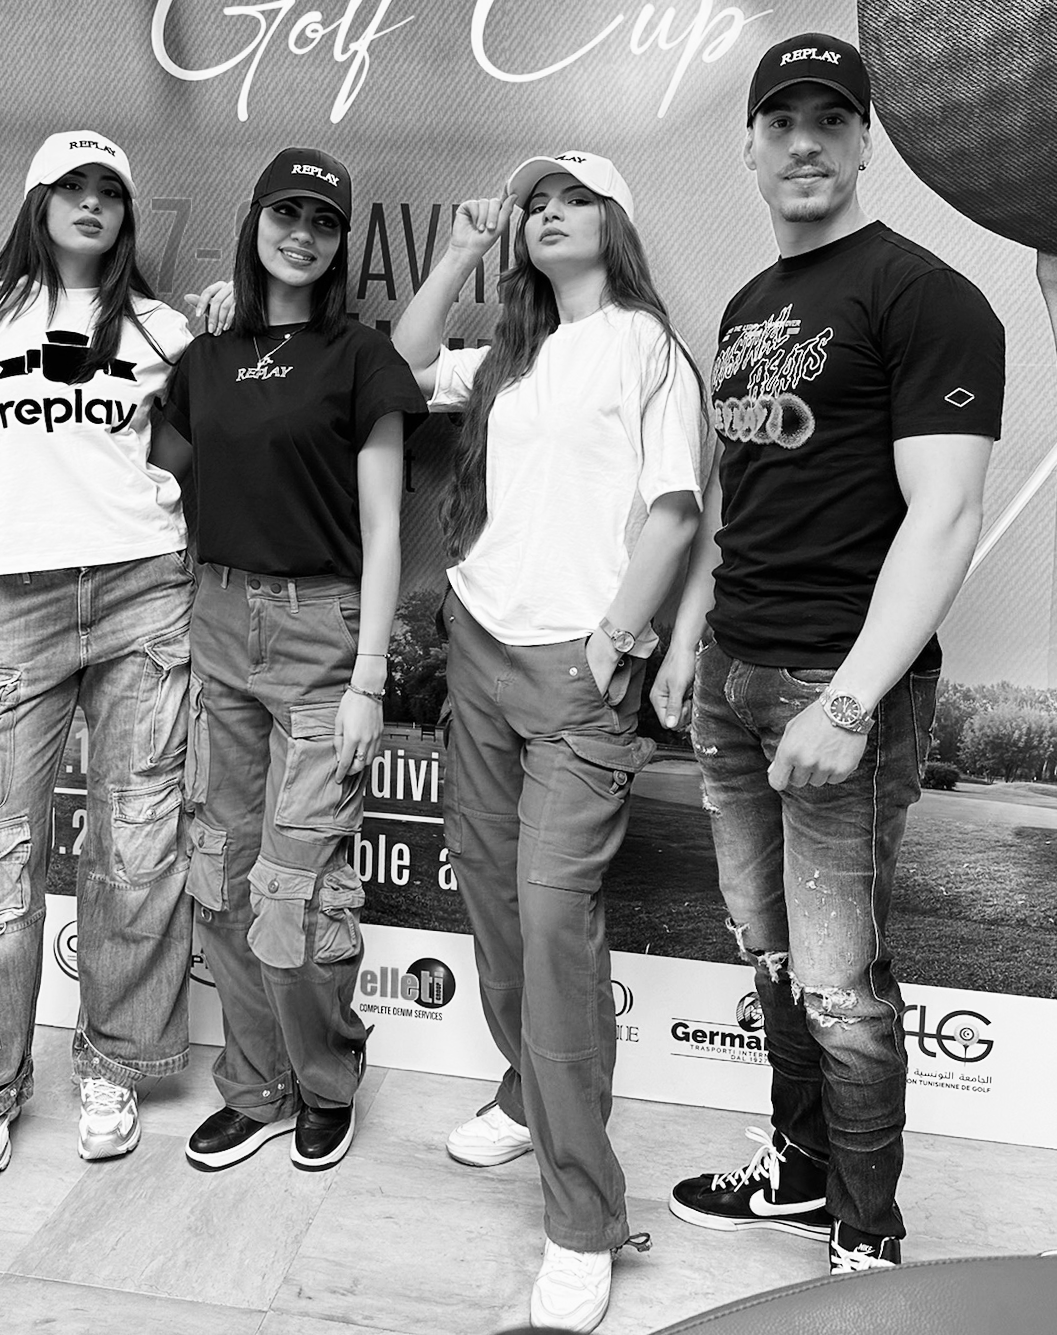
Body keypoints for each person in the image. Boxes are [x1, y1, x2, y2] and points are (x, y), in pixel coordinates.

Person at [654, 34, 1006, 1272]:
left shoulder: (925, 297)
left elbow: (944, 516)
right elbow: (739, 493)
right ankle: (800, 1171)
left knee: (842, 987)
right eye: (780, 121)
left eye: (829, 120)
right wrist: (691, 640)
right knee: (771, 956)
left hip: (832, 686)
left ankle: (867, 1239)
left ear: (864, 142)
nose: (803, 142)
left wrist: (848, 703)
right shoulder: (749, 305)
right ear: (749, 147)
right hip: (735, 678)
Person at [393, 153, 705, 1333]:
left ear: (614, 222)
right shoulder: (512, 357)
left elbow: (674, 511)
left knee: (551, 920)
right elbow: (404, 366)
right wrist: (459, 253)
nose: (550, 214)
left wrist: (618, 637)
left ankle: (582, 1220)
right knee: (487, 891)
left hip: (578, 671)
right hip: (478, 646)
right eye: (537, 203)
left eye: (574, 199)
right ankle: (526, 1092)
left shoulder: (645, 346)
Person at [0, 131, 196, 1179]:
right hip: (17, 606)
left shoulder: (162, 329)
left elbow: (185, 455)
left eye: (108, 189)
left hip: (141, 593)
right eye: (70, 186)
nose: (90, 202)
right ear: (36, 201)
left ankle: (115, 1063)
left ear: (126, 213)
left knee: (138, 842)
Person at [150, 148, 425, 1177]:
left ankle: (325, 1081)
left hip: (320, 634)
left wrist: (368, 679)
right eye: (285, 213)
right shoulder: (205, 355)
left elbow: (385, 528)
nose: (300, 234)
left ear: (340, 241)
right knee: (221, 877)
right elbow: (153, 481)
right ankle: (254, 1088)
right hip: (217, 623)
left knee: (294, 888)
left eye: (321, 220)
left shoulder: (360, 358)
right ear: (254, 221)